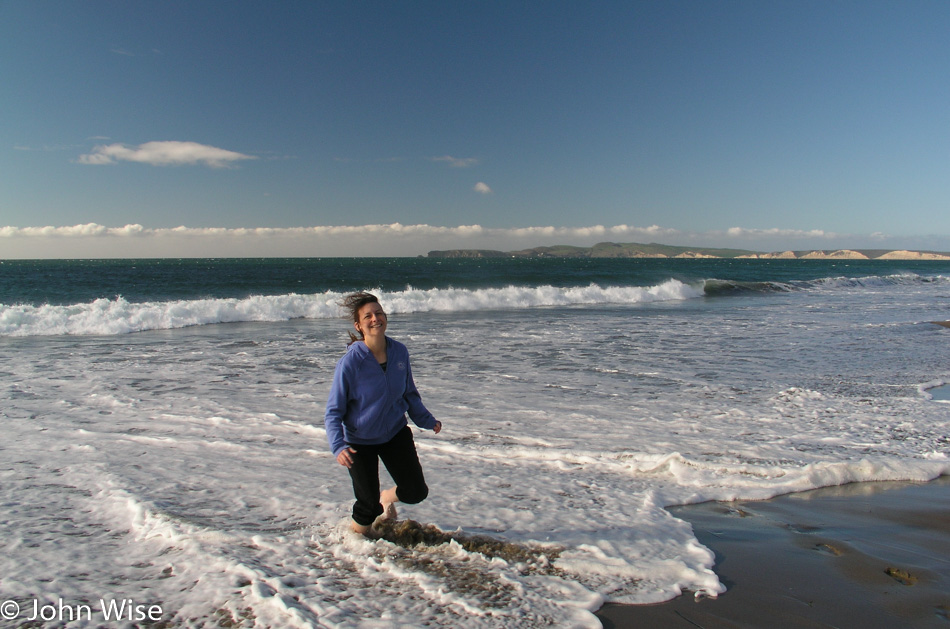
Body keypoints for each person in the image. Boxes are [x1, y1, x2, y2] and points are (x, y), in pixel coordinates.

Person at [325, 292, 442, 536]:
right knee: (368, 506)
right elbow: (334, 410)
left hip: (395, 433)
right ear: (359, 325)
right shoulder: (350, 363)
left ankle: (386, 498)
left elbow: (409, 394)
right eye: (368, 316)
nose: (375, 318)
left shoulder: (399, 352)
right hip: (359, 441)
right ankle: (355, 548)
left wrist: (428, 421)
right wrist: (338, 446)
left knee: (415, 492)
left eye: (379, 313)